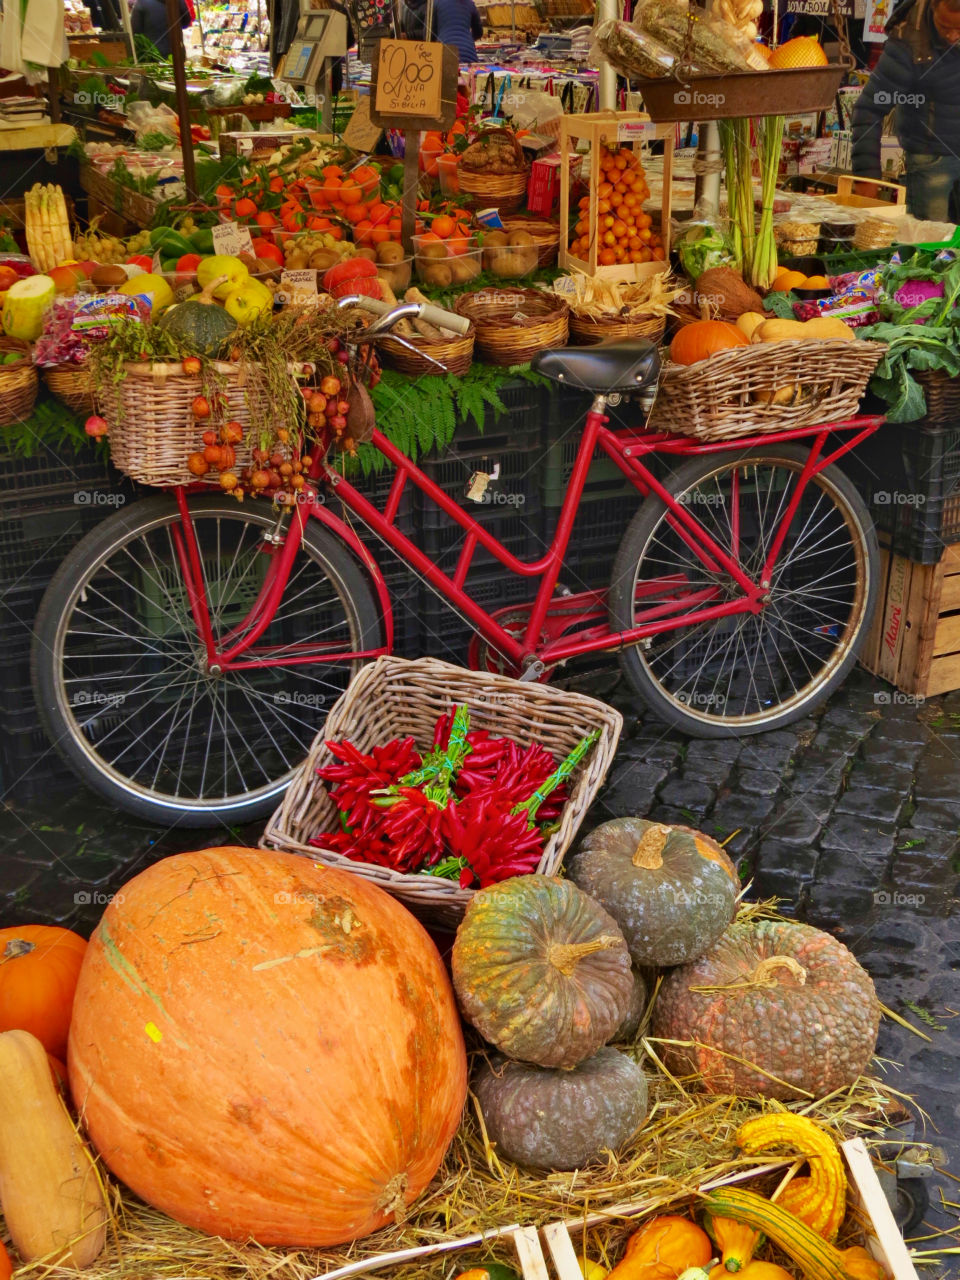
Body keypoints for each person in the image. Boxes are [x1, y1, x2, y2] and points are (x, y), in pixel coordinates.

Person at [851, 0, 960, 219]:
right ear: (932, 7)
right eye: (945, 27)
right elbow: (868, 109)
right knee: (929, 244)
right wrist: (866, 176)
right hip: (931, 160)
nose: (953, 37)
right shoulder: (908, 42)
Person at [401, 0, 482, 62]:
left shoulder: (435, 2)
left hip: (444, 55)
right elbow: (479, 32)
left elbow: (428, 35)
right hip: (469, 56)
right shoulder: (470, 3)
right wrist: (466, 40)